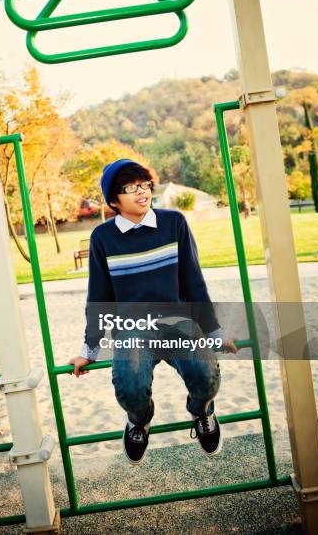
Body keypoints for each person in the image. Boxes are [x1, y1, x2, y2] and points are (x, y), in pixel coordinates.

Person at [68, 159, 238, 464]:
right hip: (133, 328)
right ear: (113, 200)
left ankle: (202, 412)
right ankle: (140, 420)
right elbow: (99, 297)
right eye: (130, 187)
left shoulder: (174, 223)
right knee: (129, 386)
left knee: (206, 376)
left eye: (145, 184)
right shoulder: (103, 238)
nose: (142, 192)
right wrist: (89, 349)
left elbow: (193, 282)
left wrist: (213, 331)